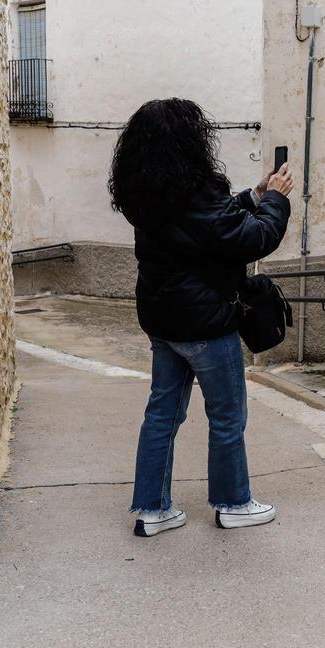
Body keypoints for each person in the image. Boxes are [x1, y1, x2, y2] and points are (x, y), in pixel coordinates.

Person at [108, 98, 293, 537]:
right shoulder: (195, 190)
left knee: (161, 415)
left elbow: (210, 223)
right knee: (227, 416)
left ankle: (152, 512)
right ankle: (234, 503)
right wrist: (278, 202)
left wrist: (254, 195)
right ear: (189, 141)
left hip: (163, 322)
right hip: (207, 325)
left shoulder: (144, 192)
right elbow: (254, 238)